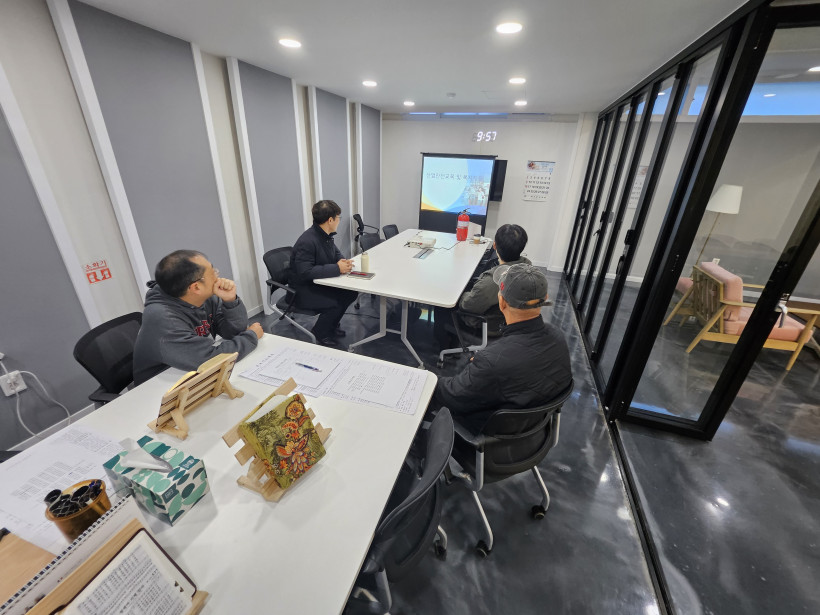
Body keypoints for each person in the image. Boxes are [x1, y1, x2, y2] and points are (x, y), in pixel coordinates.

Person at [431, 263, 572, 433]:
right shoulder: (558, 338)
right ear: (545, 298)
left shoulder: (492, 361)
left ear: (502, 302)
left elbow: (452, 395)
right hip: (536, 432)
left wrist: (428, 379)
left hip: (488, 437)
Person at [133, 250, 263, 385]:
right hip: (159, 387)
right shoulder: (163, 318)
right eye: (213, 272)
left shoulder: (204, 299)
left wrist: (231, 301)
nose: (217, 276)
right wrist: (251, 336)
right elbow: (210, 360)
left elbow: (233, 332)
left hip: (190, 372)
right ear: (196, 287)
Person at [434, 223, 531, 348]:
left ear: (494, 245)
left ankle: (445, 347)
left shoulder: (492, 281)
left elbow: (467, 305)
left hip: (488, 327)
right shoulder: (527, 267)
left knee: (443, 304)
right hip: (509, 321)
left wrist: (460, 293)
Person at [290, 200, 358, 346]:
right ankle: (320, 332)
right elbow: (305, 272)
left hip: (316, 284)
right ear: (330, 220)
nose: (339, 220)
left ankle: (331, 326)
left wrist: (342, 261)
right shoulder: (308, 241)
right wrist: (337, 269)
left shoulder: (324, 235)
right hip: (302, 291)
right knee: (335, 301)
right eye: (338, 217)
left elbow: (335, 253)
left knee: (350, 293)